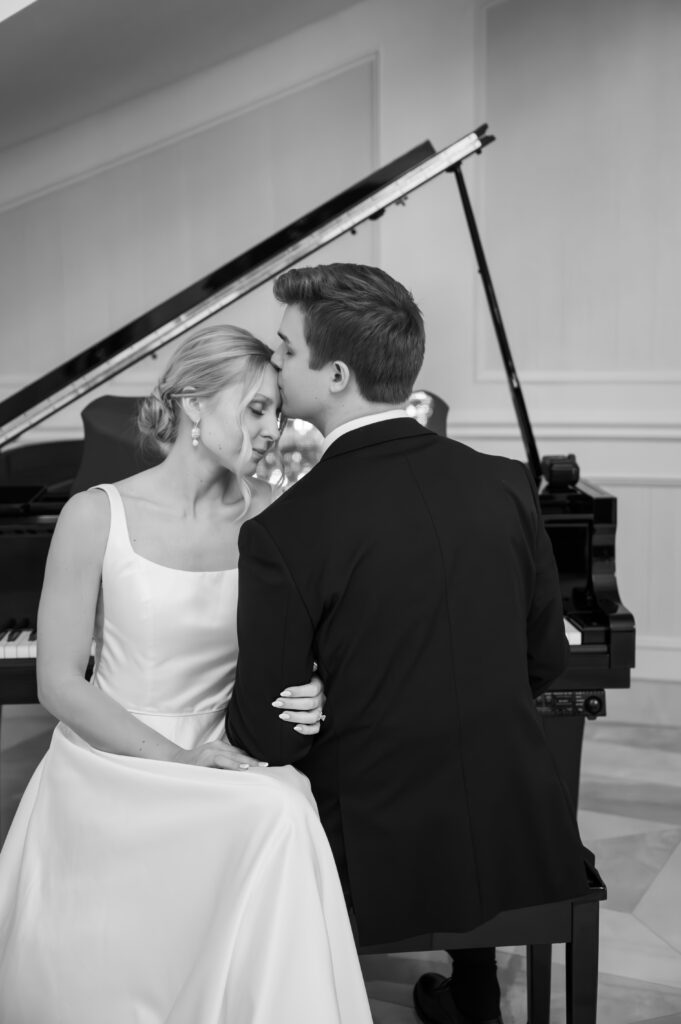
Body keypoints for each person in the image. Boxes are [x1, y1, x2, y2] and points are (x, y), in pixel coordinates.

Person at [226, 264, 591, 1024]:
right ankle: (475, 988)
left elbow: (265, 731)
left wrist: (334, 688)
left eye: (286, 352)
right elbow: (544, 659)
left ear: (334, 373)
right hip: (512, 818)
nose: (276, 364)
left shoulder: (284, 530)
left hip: (375, 844)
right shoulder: (504, 483)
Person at [0, 325, 373, 1024]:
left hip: (228, 746)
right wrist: (180, 761)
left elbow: (313, 642)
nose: (271, 429)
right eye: (255, 408)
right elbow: (59, 683)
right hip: (113, 758)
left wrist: (315, 684)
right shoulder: (95, 515)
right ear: (195, 403)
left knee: (284, 808)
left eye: (277, 412)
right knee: (280, 810)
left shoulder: (273, 515)